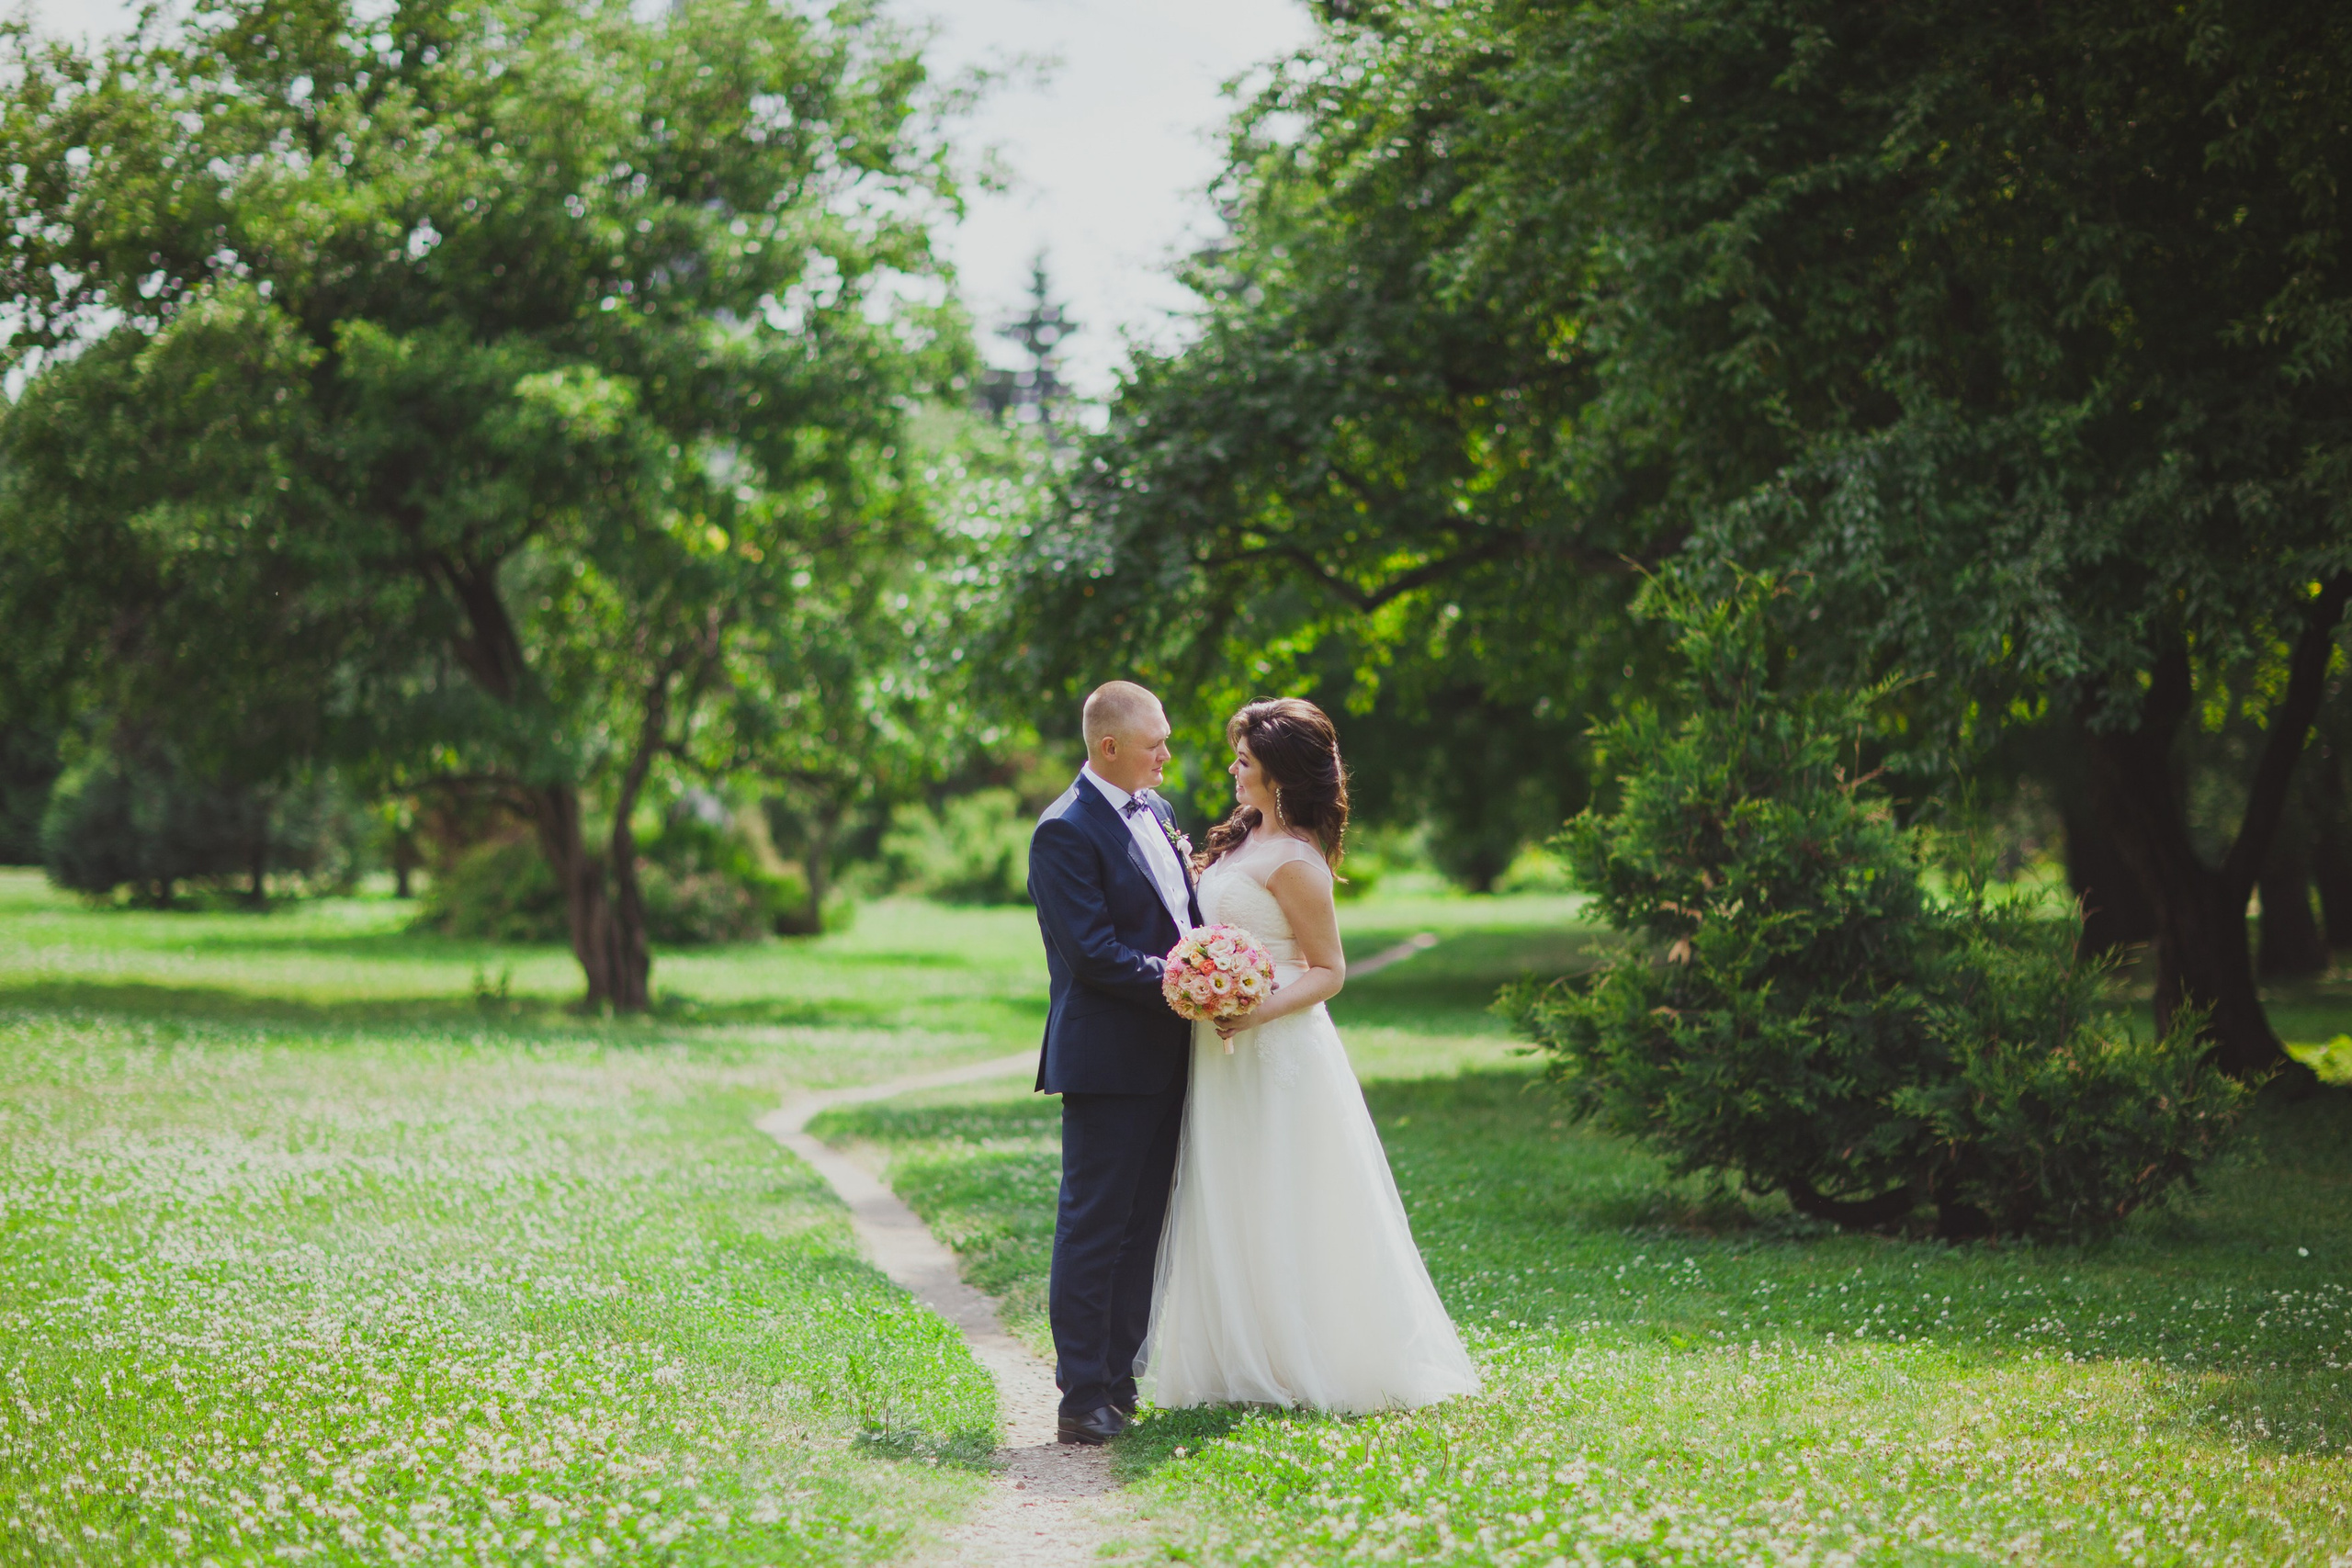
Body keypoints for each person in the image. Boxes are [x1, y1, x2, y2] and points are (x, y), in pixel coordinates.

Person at [1141, 697, 1480, 1413]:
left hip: (1278, 1049)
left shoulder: (1297, 859)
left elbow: (1329, 969)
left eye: (1244, 761)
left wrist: (1251, 1008)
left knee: (1285, 1191)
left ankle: (1303, 1359)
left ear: (1280, 773)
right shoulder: (1240, 839)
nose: (1233, 770)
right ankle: (1240, 1358)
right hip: (1222, 1049)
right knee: (1230, 1190)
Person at [1026, 680, 1201, 1445]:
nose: (1166, 754)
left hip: (1172, 1054)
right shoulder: (1063, 830)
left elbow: (1181, 916)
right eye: (1155, 743)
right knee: (1095, 1227)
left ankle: (1121, 1379)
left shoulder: (1157, 810)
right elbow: (1093, 954)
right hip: (1107, 1060)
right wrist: (1189, 981)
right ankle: (1081, 1396)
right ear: (1109, 747)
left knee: (1145, 1225)